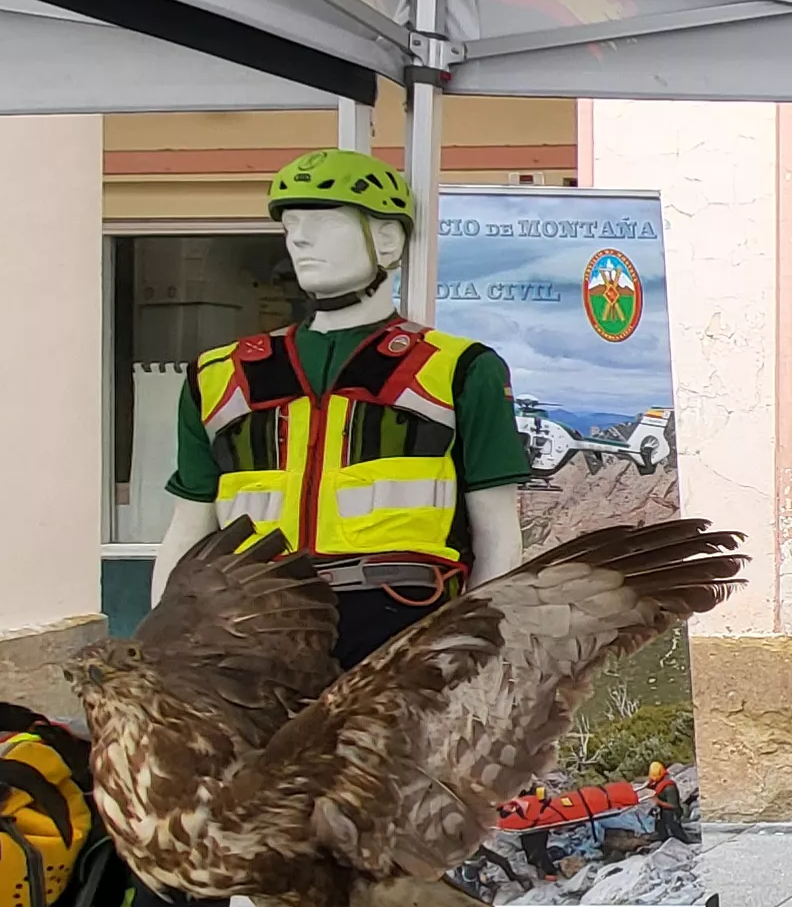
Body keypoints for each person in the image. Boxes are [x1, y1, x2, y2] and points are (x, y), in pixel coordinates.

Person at [155, 148, 533, 664]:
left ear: (386, 237)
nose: (300, 239)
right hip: (249, 632)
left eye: (323, 223)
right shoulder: (219, 375)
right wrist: (159, 648)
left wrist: (480, 648)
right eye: (290, 227)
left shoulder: (460, 370)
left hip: (400, 624)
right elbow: (188, 525)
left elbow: (497, 530)